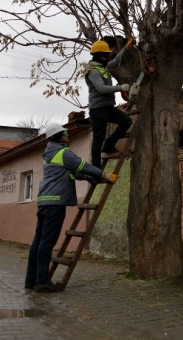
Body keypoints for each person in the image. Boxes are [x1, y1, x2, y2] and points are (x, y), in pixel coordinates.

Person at [25, 122, 118, 293]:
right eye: (65, 132)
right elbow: (82, 165)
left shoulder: (50, 155)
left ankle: (31, 280)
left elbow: (74, 173)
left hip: (45, 202)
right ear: (58, 136)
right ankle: (43, 282)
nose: (68, 134)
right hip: (55, 203)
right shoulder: (63, 153)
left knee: (38, 242)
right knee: (47, 243)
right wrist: (103, 174)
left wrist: (92, 178)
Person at [86, 40, 133, 168]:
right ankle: (96, 168)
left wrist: (127, 48)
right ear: (99, 55)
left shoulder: (103, 67)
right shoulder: (93, 71)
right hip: (98, 109)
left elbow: (116, 61)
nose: (108, 57)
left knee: (126, 121)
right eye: (105, 55)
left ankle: (109, 145)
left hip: (108, 107)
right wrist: (121, 88)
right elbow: (101, 88)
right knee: (98, 139)